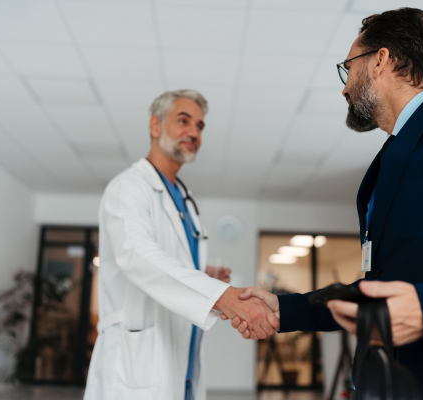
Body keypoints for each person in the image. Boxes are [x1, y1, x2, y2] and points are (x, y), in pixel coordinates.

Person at [228, 8, 423, 399]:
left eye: (348, 67)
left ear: (380, 60)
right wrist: (283, 309)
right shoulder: (384, 166)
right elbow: (381, 287)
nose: (344, 87)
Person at [84, 89, 279, 400]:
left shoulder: (184, 201)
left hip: (183, 361)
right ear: (155, 126)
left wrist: (202, 273)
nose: (194, 132)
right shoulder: (128, 188)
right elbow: (137, 255)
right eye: (184, 121)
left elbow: (166, 263)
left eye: (200, 126)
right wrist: (223, 297)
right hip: (138, 365)